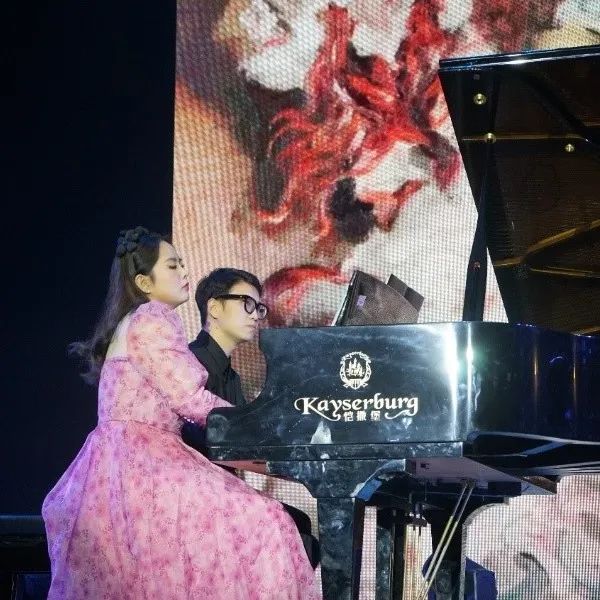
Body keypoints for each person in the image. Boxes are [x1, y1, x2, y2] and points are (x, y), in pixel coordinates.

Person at [41, 227, 320, 600]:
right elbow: (190, 399)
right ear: (144, 282)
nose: (184, 272)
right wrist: (266, 425)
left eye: (182, 264)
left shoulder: (134, 320)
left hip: (119, 467)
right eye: (173, 266)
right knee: (267, 521)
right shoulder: (153, 316)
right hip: (144, 466)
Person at [184, 267, 320, 569]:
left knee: (301, 528)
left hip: (218, 489)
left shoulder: (231, 376)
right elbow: (205, 440)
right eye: (247, 304)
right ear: (214, 308)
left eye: (259, 308)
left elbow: (250, 439)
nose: (256, 316)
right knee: (295, 531)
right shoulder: (190, 364)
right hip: (192, 494)